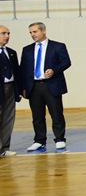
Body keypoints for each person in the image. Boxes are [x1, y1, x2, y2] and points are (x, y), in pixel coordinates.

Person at [20, 22, 72, 153]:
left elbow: (66, 62)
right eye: (30, 32)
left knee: (56, 113)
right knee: (37, 116)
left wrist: (54, 70)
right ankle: (39, 140)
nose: (32, 35)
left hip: (51, 85)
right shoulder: (27, 49)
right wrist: (23, 88)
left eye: (35, 31)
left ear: (43, 31)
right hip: (34, 86)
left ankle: (59, 138)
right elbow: (23, 69)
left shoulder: (58, 46)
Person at [0, 26, 21, 158]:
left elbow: (17, 72)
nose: (7, 36)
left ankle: (4, 147)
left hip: (10, 88)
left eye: (8, 33)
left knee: (8, 118)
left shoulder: (12, 53)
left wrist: (19, 90)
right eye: (3, 33)